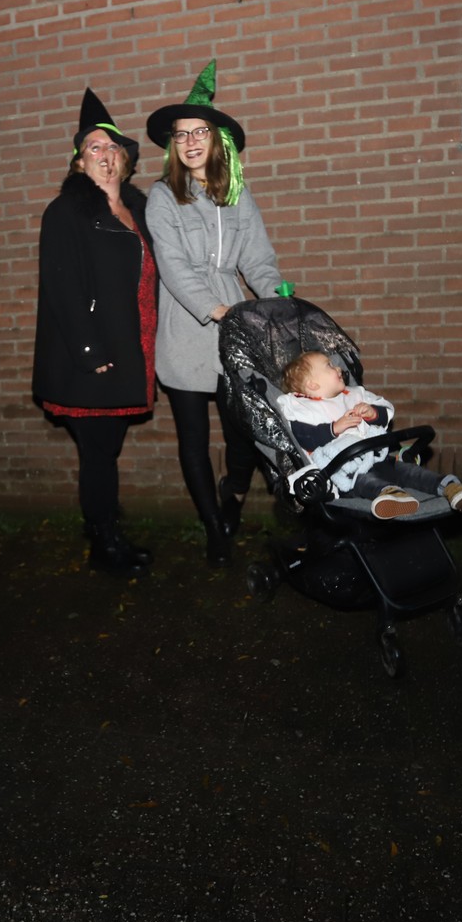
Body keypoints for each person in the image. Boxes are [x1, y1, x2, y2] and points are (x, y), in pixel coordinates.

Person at [145, 60, 284, 566]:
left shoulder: (238, 196)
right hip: (187, 325)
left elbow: (259, 260)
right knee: (194, 439)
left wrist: (280, 302)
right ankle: (213, 527)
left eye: (199, 131)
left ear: (217, 139)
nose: (190, 141)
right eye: (181, 134)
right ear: (173, 145)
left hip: (235, 329)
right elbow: (174, 268)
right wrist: (217, 309)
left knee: (243, 431)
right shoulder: (162, 196)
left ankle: (236, 493)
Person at [32, 89, 157, 577]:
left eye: (112, 148)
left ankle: (109, 534)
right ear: (79, 163)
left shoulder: (138, 213)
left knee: (106, 451)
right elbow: (61, 289)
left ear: (125, 160)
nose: (105, 156)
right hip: (92, 359)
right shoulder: (66, 212)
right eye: (93, 148)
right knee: (99, 453)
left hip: (131, 350)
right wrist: (90, 351)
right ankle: (105, 545)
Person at [277, 350, 462, 518]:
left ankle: (449, 487)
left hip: (377, 457)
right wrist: (334, 428)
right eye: (329, 366)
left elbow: (385, 413)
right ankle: (390, 495)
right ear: (312, 385)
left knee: (409, 472)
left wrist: (373, 413)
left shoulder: (354, 395)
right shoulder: (303, 408)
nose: (338, 368)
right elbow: (304, 437)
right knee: (366, 482)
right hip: (346, 472)